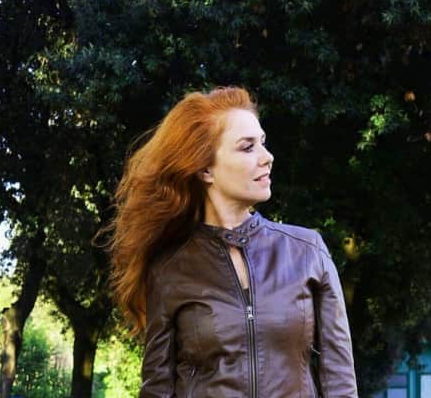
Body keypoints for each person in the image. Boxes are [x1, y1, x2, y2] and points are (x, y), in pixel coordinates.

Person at [105, 86, 358, 397]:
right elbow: (157, 390)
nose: (267, 157)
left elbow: (340, 382)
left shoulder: (308, 252)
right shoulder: (171, 270)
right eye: (247, 147)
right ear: (205, 169)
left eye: (263, 143)